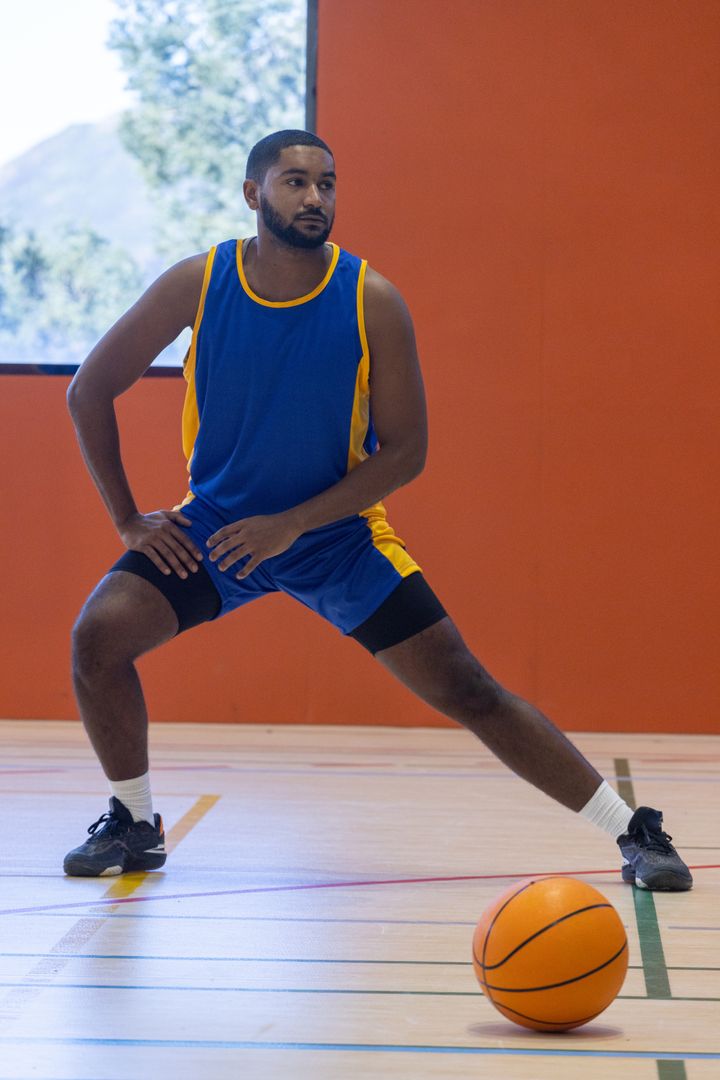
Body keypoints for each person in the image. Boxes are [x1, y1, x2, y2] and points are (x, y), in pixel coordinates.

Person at [65, 129, 691, 891]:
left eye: (327, 183)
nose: (315, 197)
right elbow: (88, 389)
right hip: (219, 529)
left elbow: (406, 453)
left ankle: (634, 832)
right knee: (98, 636)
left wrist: (292, 525)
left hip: (337, 538)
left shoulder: (373, 300)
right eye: (294, 182)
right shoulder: (199, 283)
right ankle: (133, 821)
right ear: (253, 194)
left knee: (468, 689)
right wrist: (131, 520)